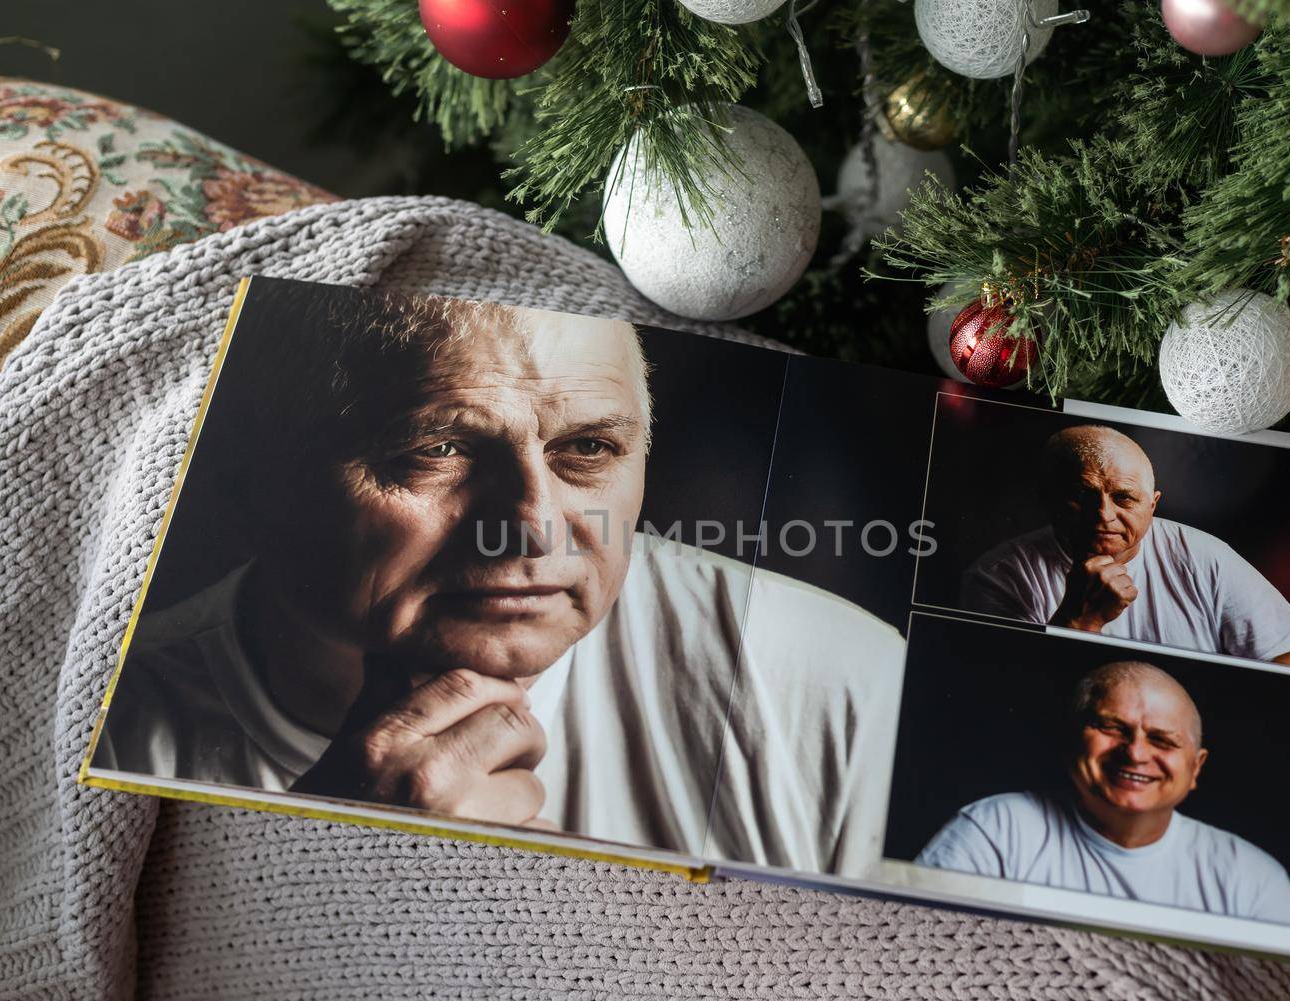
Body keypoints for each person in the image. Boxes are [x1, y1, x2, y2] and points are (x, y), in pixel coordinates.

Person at [90, 279, 905, 876]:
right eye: (436, 448)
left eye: (586, 449)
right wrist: (331, 872)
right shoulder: (119, 734)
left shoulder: (842, 686)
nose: (533, 524)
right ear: (269, 473)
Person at [915, 661, 1290, 926]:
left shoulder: (1254, 880)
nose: (1136, 753)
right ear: (1073, 739)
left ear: (1196, 768)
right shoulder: (995, 829)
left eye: (1162, 740)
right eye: (1112, 728)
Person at [959, 424, 1290, 667]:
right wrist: (1078, 622)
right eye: (1082, 496)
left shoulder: (1205, 558)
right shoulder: (996, 578)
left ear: (1153, 505)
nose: (1104, 515)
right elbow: (1005, 699)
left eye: (1124, 498)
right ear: (1047, 499)